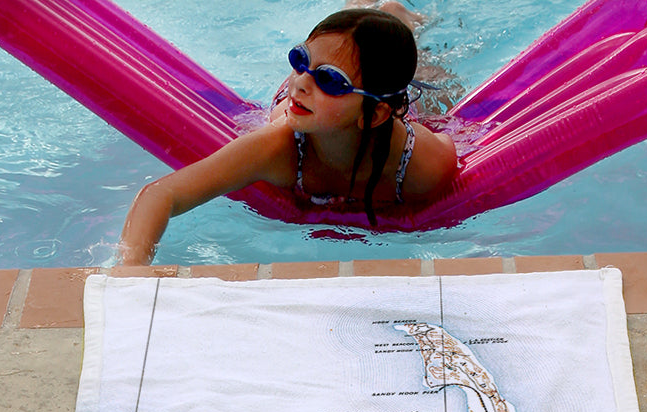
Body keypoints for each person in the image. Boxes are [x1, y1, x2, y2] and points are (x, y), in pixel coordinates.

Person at [117, 6, 458, 265]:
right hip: (319, 111)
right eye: (299, 59)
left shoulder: (422, 164)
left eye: (330, 80)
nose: (301, 81)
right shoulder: (278, 145)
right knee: (359, 44)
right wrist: (130, 272)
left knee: (429, 83)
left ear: (379, 114)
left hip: (377, 114)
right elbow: (161, 194)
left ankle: (395, 15)